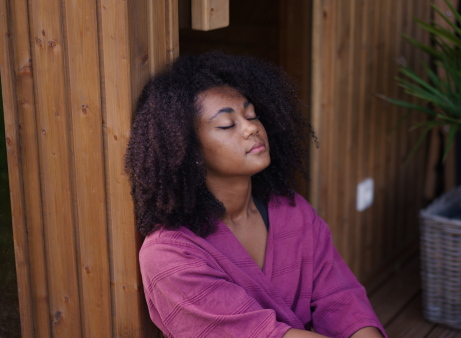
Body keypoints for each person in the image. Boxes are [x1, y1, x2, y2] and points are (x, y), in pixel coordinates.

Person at [125, 52, 386, 338]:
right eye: (227, 125)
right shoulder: (169, 253)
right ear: (189, 151)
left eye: (252, 115)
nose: (252, 128)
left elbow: (342, 299)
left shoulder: (292, 211)